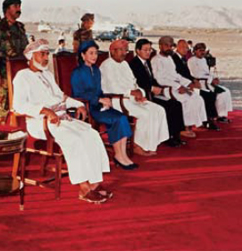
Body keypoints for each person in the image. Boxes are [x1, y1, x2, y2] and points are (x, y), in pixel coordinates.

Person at [13, 39, 113, 204]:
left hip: (61, 118)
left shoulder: (48, 74)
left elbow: (62, 97)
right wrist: (45, 111)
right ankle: (84, 188)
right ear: (31, 56)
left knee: (92, 135)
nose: (46, 58)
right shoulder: (22, 76)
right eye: (42, 54)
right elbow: (19, 105)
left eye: (47, 54)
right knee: (76, 140)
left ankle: (94, 184)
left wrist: (79, 104)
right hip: (40, 122)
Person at [71, 40, 137, 169]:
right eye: (91, 53)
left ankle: (122, 155)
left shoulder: (96, 70)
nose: (94, 56)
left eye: (96, 53)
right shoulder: (77, 72)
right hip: (87, 107)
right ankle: (119, 155)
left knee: (121, 117)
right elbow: (78, 93)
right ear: (83, 55)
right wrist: (99, 100)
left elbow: (100, 90)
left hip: (98, 105)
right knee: (115, 119)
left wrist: (105, 99)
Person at [100, 39, 169, 156]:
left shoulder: (125, 64)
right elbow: (111, 87)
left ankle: (150, 143)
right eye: (121, 50)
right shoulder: (106, 65)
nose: (124, 53)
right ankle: (137, 145)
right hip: (118, 100)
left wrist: (140, 93)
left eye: (125, 50)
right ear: (112, 51)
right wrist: (131, 92)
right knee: (145, 114)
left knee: (159, 110)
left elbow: (134, 82)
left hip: (132, 98)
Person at [129, 39, 186, 147]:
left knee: (176, 104)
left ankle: (176, 135)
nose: (148, 52)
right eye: (145, 50)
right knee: (168, 107)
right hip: (144, 95)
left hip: (153, 92)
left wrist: (159, 88)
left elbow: (152, 79)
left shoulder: (147, 62)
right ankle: (168, 137)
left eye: (149, 49)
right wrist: (151, 88)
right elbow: (138, 83)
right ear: (137, 51)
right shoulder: (134, 64)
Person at [151, 36, 207, 138]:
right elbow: (159, 79)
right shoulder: (156, 60)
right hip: (166, 89)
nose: (169, 47)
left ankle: (191, 125)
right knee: (187, 100)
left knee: (196, 98)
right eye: (166, 45)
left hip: (177, 86)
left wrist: (188, 83)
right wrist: (178, 86)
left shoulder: (169, 59)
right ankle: (183, 128)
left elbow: (176, 74)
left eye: (171, 45)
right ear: (160, 46)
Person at [0, 0, 29, 122]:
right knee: (1, 109)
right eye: (15, 6)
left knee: (20, 107)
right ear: (7, 9)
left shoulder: (20, 27)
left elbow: (26, 50)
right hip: (4, 73)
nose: (18, 9)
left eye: (19, 6)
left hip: (20, 73)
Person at [172, 39, 220, 131]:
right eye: (185, 48)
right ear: (179, 47)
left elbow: (188, 74)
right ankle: (205, 121)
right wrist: (192, 82)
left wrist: (194, 80)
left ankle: (211, 118)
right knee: (206, 95)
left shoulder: (184, 59)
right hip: (183, 85)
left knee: (213, 93)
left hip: (192, 83)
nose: (187, 50)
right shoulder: (178, 59)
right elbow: (179, 75)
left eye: (187, 48)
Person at [188, 43, 233, 123]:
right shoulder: (191, 60)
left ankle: (221, 115)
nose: (202, 52)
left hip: (208, 82)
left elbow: (207, 72)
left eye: (203, 50)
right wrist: (210, 79)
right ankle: (209, 117)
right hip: (200, 84)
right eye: (200, 50)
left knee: (225, 92)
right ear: (195, 51)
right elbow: (195, 74)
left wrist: (214, 77)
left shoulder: (204, 60)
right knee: (211, 95)